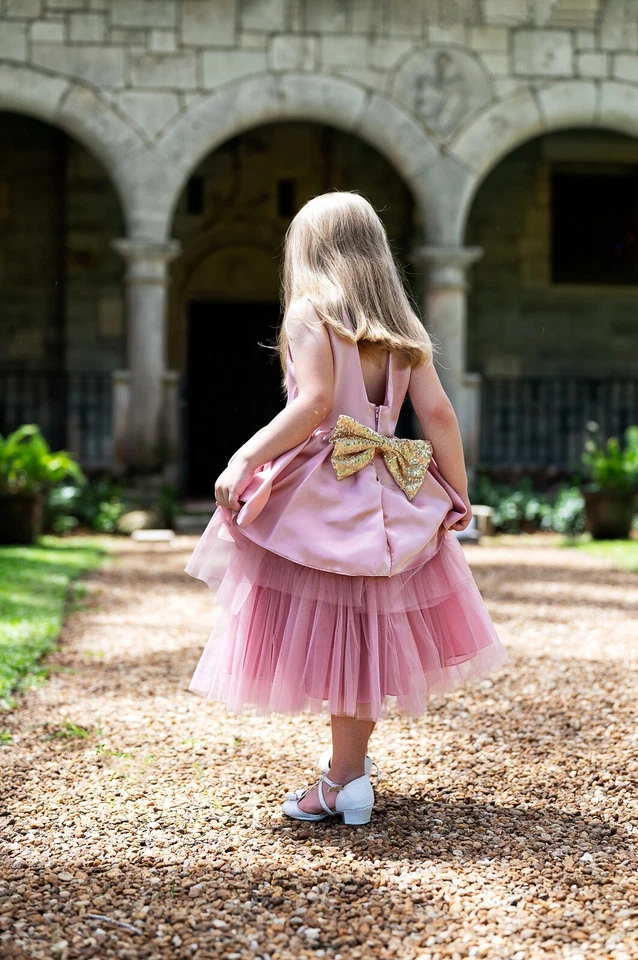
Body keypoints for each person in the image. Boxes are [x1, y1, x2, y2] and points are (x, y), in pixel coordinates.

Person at [185, 191, 511, 826]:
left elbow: (313, 405)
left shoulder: (311, 313)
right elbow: (439, 413)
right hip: (389, 482)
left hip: (328, 487)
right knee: (364, 635)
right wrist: (456, 489)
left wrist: (242, 459)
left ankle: (343, 780)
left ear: (309, 251)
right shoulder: (405, 328)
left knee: (336, 630)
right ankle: (349, 777)